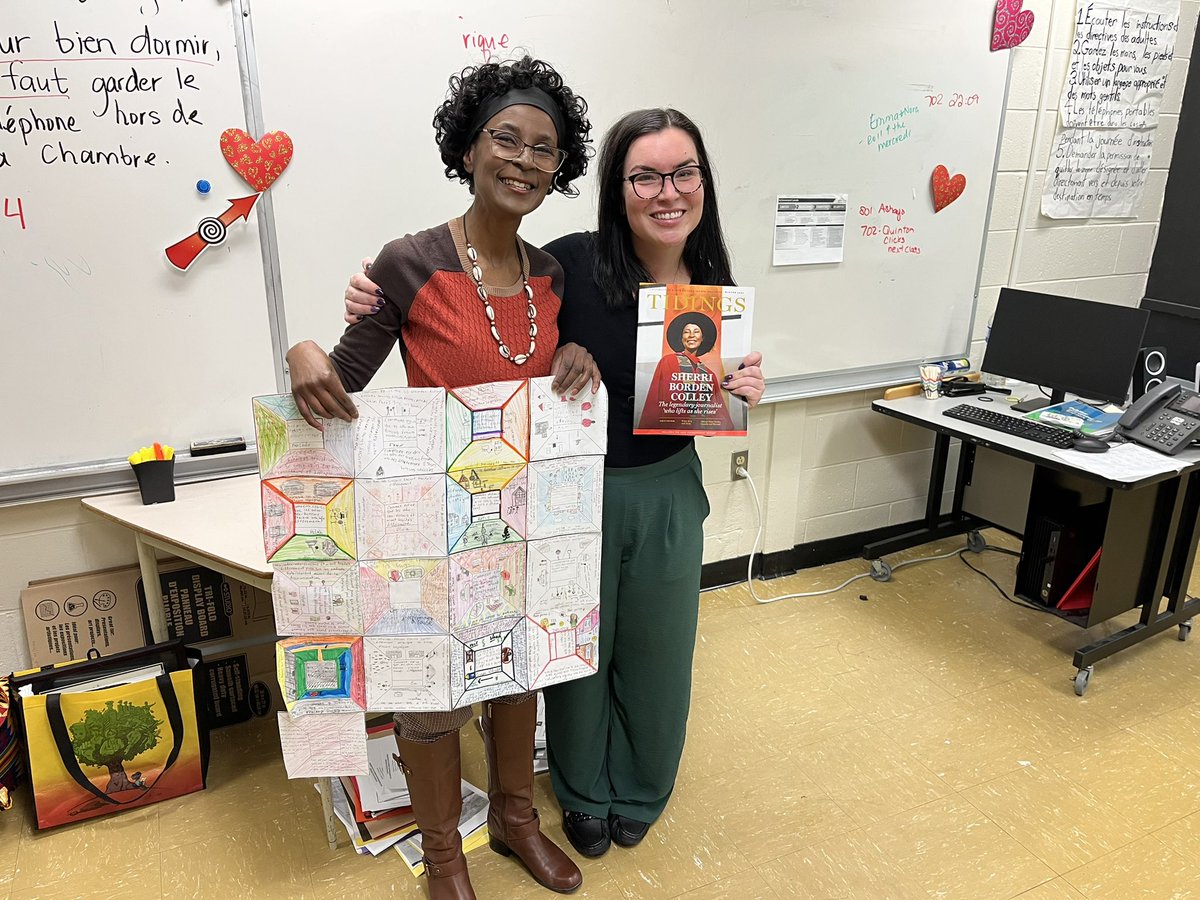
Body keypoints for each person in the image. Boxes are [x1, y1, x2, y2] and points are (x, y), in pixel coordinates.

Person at [341, 107, 765, 858]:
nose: (667, 192)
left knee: (660, 653)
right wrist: (370, 300)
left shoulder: (714, 286)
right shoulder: (568, 263)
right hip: (567, 493)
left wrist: (743, 385)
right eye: (645, 176)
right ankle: (579, 792)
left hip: (667, 488)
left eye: (684, 172)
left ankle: (639, 786)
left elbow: (696, 404)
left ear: (704, 182)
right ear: (616, 186)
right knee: (572, 655)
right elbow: (501, 314)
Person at [287, 57, 600, 900]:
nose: (526, 160)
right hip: (427, 524)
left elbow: (539, 376)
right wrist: (301, 352)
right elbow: (338, 387)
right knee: (429, 694)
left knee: (518, 672)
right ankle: (443, 857)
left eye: (546, 149)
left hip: (520, 515)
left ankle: (516, 821)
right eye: (507, 138)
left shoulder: (550, 273)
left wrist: (573, 356)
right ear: (468, 147)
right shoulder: (409, 260)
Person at [636, 310, 735, 432]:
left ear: (702, 338)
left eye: (696, 332)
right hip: (666, 434)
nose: (691, 335)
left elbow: (719, 415)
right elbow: (654, 400)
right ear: (682, 338)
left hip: (690, 437)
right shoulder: (668, 361)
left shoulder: (709, 374)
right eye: (686, 332)